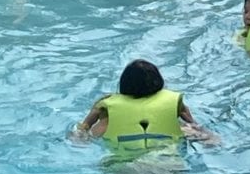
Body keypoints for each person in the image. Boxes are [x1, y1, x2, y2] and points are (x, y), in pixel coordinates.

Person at [74, 58, 215, 155]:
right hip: (167, 159)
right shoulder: (173, 107)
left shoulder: (107, 112)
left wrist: (92, 116)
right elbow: (195, 124)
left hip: (124, 163)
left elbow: (81, 133)